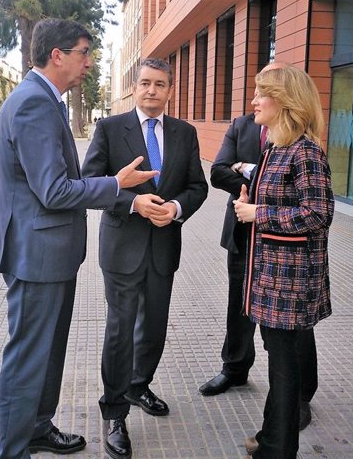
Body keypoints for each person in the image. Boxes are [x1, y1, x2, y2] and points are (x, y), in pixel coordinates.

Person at [0, 19, 157, 459]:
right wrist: (115, 185)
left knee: (46, 353)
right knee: (28, 358)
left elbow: (21, 187)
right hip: (39, 258)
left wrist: (9, 231)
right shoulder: (34, 104)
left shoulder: (45, 101)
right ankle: (13, 450)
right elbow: (54, 190)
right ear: (57, 55)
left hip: (46, 253)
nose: (89, 62)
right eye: (84, 52)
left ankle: (38, 428)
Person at [82, 58, 208, 459]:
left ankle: (139, 385)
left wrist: (174, 208)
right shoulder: (109, 128)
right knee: (120, 331)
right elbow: (90, 183)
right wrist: (134, 202)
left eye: (160, 84)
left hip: (163, 247)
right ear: (134, 88)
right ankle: (114, 412)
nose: (152, 91)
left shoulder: (185, 133)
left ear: (170, 90)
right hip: (122, 248)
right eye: (145, 84)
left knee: (153, 326)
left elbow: (197, 186)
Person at [233, 65, 334, 458]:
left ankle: (278, 449)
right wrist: (248, 203)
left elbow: (318, 213)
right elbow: (275, 201)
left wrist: (258, 214)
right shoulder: (277, 147)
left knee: (284, 369)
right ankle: (270, 437)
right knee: (280, 365)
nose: (254, 101)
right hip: (271, 279)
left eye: (262, 94)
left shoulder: (305, 151)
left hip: (290, 284)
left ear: (286, 101)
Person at [202, 100, 318, 430]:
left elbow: (309, 202)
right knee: (238, 304)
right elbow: (218, 170)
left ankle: (301, 396)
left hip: (282, 244)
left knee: (292, 322)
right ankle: (235, 369)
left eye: (262, 91)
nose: (254, 98)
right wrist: (249, 177)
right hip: (242, 229)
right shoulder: (242, 125)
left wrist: (250, 172)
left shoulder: (301, 140)